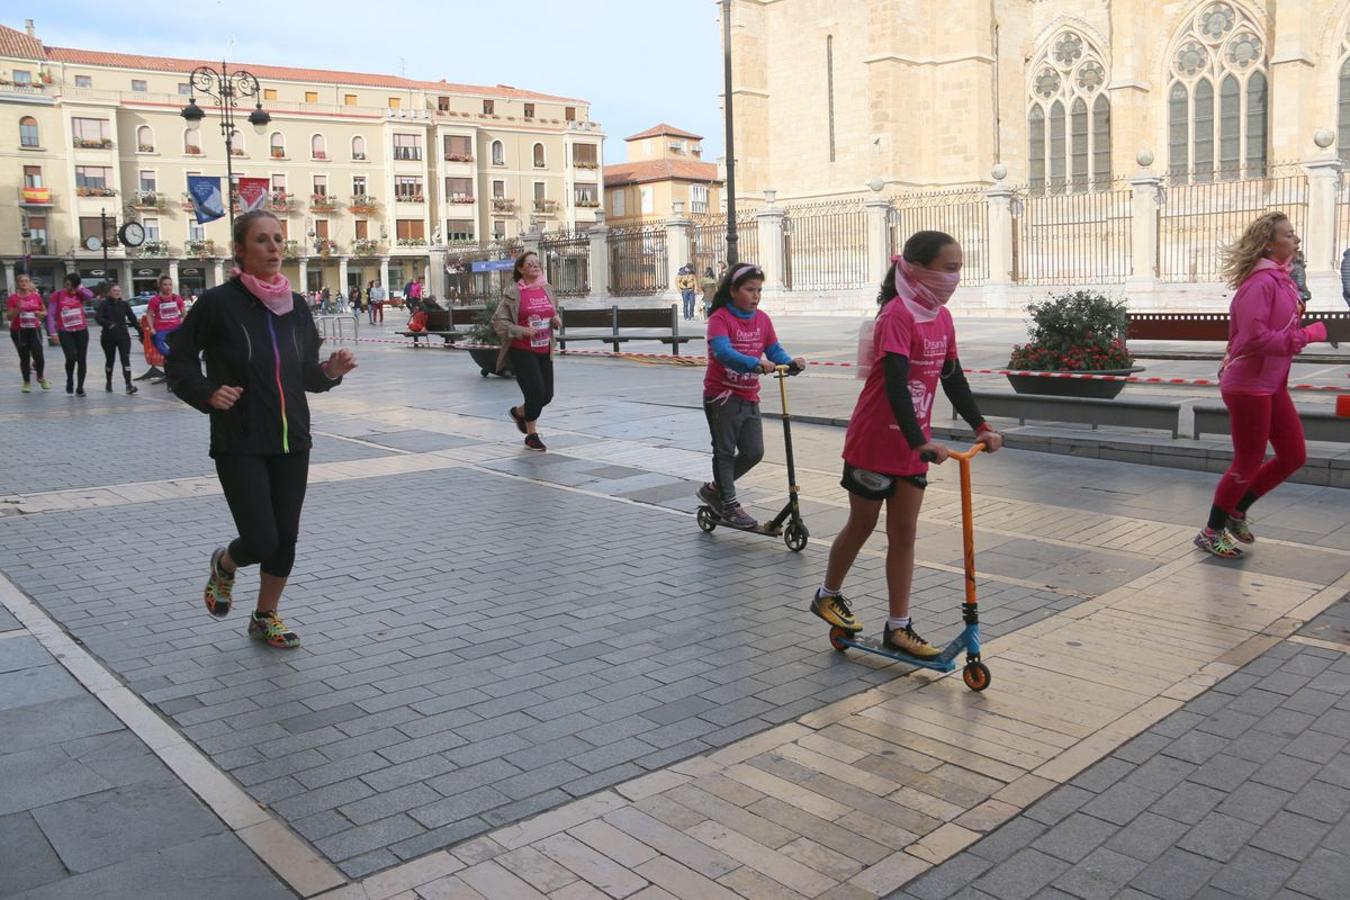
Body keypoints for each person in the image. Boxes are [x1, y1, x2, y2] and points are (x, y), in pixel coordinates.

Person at [165, 209, 357, 649]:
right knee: (260, 537)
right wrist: (207, 392)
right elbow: (177, 361)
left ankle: (264, 615)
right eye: (263, 240)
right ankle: (226, 565)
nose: (274, 248)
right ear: (239, 249)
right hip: (240, 440)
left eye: (278, 240)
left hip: (293, 439)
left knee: (285, 538)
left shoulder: (295, 307)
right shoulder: (217, 304)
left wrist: (330, 371)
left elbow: (307, 374)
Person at [809, 232, 1001, 657]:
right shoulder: (897, 315)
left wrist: (981, 426)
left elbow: (952, 377)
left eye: (958, 268)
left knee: (905, 534)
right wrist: (921, 441)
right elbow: (896, 385)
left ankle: (899, 626)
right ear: (916, 269)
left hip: (912, 447)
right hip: (877, 441)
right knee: (861, 525)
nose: (955, 277)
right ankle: (827, 594)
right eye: (948, 268)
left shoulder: (941, 317)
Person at [1194, 212, 1329, 559]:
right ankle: (1211, 531)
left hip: (1271, 383)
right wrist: (1306, 336)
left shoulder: (1281, 279)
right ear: (1269, 243)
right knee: (1248, 461)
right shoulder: (1260, 284)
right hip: (1248, 385)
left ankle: (1238, 511)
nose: (1296, 239)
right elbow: (1255, 338)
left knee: (1294, 455)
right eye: (1289, 234)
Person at [697, 262, 804, 529]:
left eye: (759, 290)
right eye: (749, 290)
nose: (755, 296)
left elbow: (773, 348)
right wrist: (752, 363)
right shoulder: (719, 319)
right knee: (723, 451)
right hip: (722, 396)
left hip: (749, 395)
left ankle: (715, 489)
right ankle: (729, 504)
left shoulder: (762, 319)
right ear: (733, 290)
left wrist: (789, 363)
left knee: (754, 451)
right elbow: (722, 352)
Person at [493, 250, 559, 451]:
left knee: (546, 396)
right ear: (521, 269)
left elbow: (552, 311)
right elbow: (498, 321)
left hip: (544, 348)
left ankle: (519, 412)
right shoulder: (514, 293)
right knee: (535, 393)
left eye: (537, 263)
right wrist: (520, 330)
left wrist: (556, 319)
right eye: (530, 264)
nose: (535, 266)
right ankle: (532, 435)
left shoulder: (546, 289)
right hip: (522, 350)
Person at [47, 274, 94, 396]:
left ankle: (80, 387)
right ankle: (69, 379)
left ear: (75, 284)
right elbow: (51, 314)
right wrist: (52, 332)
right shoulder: (57, 295)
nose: (67, 287)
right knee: (71, 358)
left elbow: (90, 296)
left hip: (81, 330)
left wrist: (80, 288)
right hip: (65, 331)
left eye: (70, 284)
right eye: (66, 284)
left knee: (82, 359)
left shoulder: (80, 293)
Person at [6, 273, 50, 392]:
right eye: (21, 281)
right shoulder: (13, 298)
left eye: (26, 281)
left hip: (34, 329)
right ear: (17, 283)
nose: (24, 283)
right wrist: (18, 309)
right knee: (24, 357)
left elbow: (44, 311)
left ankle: (40, 377)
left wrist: (41, 314)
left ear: (29, 282)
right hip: (19, 331)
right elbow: (9, 317)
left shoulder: (36, 296)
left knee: (39, 357)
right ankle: (26, 382)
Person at [95, 283, 142, 394]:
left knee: (125, 359)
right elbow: (98, 317)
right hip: (108, 337)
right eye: (114, 290)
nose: (117, 293)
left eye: (119, 291)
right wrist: (108, 323)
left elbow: (132, 319)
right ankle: (109, 382)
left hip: (123, 336)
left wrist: (141, 331)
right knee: (110, 360)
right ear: (109, 292)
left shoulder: (124, 304)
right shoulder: (104, 304)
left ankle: (128, 385)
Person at [148, 275, 186, 358]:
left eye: (170, 284)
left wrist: (185, 321)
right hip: (161, 329)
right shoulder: (154, 300)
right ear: (160, 286)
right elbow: (150, 315)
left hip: (176, 327)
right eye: (165, 285)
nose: (168, 287)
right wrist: (151, 328)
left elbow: (184, 313)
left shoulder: (177, 298)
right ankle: (172, 357)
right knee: (157, 341)